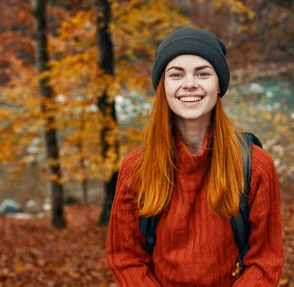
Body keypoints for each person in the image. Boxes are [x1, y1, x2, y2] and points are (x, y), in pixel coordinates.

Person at [106, 27, 284, 286]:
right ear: (162, 87)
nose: (189, 83)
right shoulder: (136, 168)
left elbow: (265, 260)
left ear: (219, 84)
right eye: (176, 74)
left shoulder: (255, 166)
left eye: (203, 73)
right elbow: (125, 258)